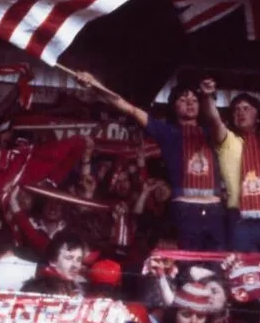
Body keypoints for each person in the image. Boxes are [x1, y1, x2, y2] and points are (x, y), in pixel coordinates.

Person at [74, 71, 226, 250]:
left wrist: (207, 96)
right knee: (188, 264)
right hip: (184, 209)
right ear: (174, 106)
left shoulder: (211, 131)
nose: (190, 103)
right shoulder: (166, 131)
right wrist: (94, 85)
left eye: (194, 100)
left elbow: (215, 119)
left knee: (218, 263)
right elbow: (129, 108)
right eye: (183, 100)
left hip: (214, 209)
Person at [200, 79, 260, 252]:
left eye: (246, 109)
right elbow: (214, 119)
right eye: (236, 110)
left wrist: (259, 137)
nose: (241, 113)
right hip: (238, 217)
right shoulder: (228, 140)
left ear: (258, 116)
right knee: (242, 270)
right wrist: (208, 97)